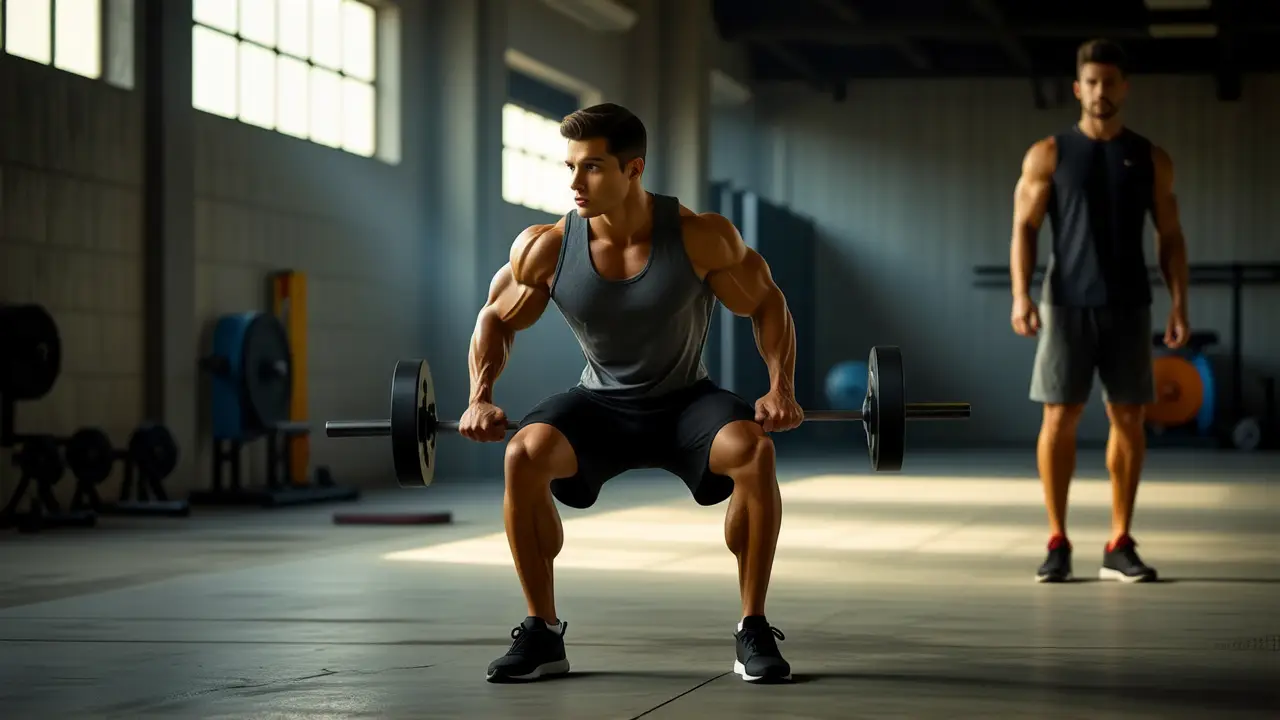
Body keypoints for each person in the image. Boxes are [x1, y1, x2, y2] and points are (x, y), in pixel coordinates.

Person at [459, 103, 802, 683]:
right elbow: (495, 318)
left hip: (687, 402)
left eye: (591, 167)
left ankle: (754, 627)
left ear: (634, 168)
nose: (574, 183)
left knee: (754, 450)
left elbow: (767, 302)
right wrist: (479, 395)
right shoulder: (545, 247)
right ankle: (543, 631)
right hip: (600, 405)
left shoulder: (700, 237)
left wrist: (780, 389)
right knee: (522, 454)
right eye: (569, 165)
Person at [1009, 39, 1189, 584]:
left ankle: (1119, 541)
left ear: (1123, 87)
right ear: (1077, 88)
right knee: (1058, 419)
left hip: (1130, 304)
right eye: (1092, 82)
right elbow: (1024, 226)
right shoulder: (1050, 153)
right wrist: (1021, 293)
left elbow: (1172, 235)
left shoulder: (1150, 157)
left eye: (1111, 82)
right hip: (1065, 304)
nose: (1101, 91)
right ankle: (1058, 540)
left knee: (1129, 419)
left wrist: (1179, 302)